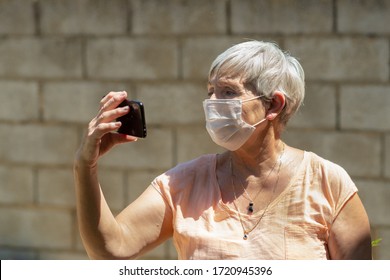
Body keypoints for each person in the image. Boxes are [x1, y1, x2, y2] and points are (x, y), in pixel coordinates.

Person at [74, 40, 372, 260]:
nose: (213, 103)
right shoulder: (183, 184)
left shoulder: (327, 183)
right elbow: (112, 250)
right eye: (210, 92)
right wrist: (85, 166)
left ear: (274, 104)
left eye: (228, 92)